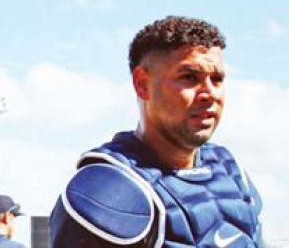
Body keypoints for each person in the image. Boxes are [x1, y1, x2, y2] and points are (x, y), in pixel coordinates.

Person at [50, 16, 263, 248]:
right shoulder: (107, 192)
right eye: (190, 77)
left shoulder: (231, 172)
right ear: (142, 84)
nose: (210, 93)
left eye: (217, 79)